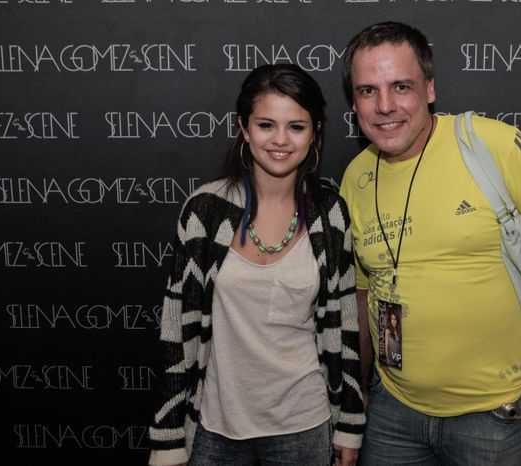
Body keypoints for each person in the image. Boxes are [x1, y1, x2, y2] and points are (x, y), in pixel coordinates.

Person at [339, 22, 521, 465]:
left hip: (493, 417)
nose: (385, 106)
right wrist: (358, 390)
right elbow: (363, 292)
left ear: (430, 88)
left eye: (401, 86)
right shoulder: (356, 175)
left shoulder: (491, 144)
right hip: (391, 414)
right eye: (367, 91)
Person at [148, 64, 365, 466]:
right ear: (244, 128)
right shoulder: (205, 211)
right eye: (266, 124)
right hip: (215, 427)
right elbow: (177, 331)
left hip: (304, 425)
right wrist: (167, 438)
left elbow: (345, 326)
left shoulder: (331, 215)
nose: (280, 140)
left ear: (315, 131)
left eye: (296, 127)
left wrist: (350, 423)